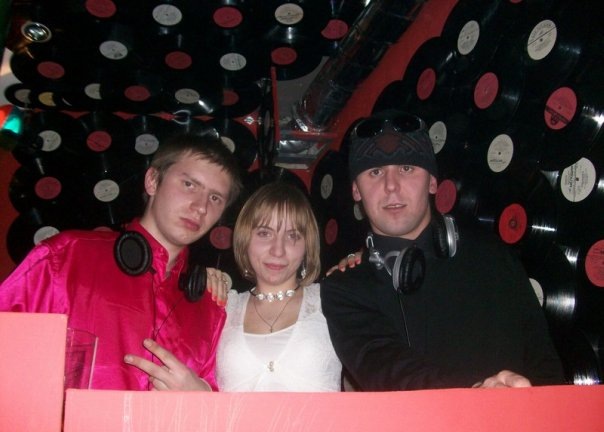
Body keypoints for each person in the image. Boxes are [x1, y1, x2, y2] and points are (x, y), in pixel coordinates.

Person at [321, 110, 565, 391]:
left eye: (406, 168)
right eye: (375, 172)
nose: (391, 186)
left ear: (433, 182)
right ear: (356, 190)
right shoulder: (345, 288)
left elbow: (543, 360)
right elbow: (388, 371)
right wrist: (476, 394)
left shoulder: (491, 254)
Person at [0, 133, 242, 391]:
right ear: (152, 181)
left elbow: (212, 403)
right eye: (189, 184)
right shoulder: (66, 257)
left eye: (215, 198)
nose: (201, 207)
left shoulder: (209, 308)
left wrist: (202, 399)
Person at [126, 181, 342, 392]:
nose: (278, 250)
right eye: (264, 233)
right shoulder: (221, 306)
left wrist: (357, 264)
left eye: (292, 235)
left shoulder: (333, 298)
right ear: (245, 239)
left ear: (307, 245)